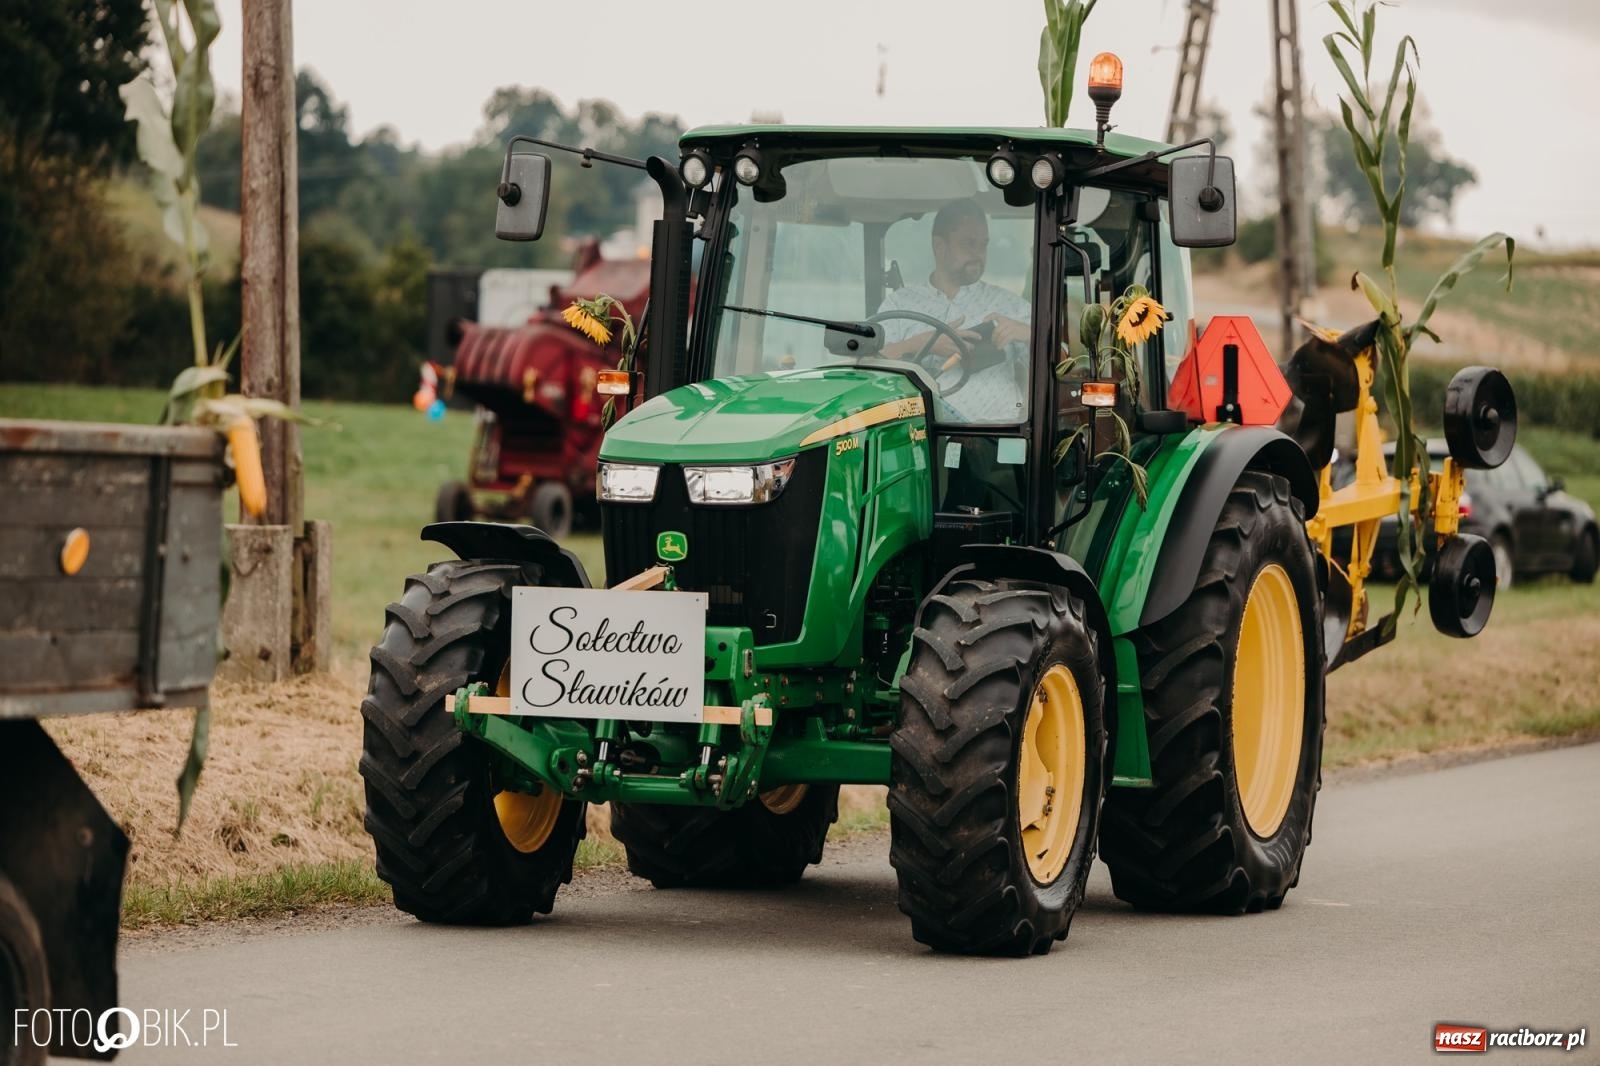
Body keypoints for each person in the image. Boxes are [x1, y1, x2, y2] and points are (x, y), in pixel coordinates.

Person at [876, 198, 1031, 423]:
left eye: (983, 244)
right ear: (940, 246)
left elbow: (1063, 365)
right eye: (969, 243)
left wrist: (1029, 334)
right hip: (918, 435)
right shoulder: (900, 304)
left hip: (997, 434)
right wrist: (920, 345)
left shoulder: (1008, 305)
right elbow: (870, 364)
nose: (978, 253)